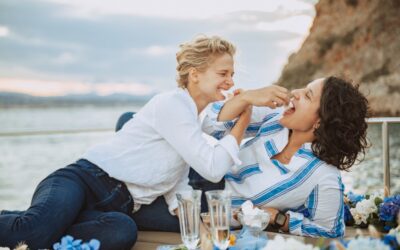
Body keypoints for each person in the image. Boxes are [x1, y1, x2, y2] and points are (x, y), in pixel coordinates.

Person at [0, 36, 286, 249]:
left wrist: (203, 235)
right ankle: (41, 226)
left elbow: (177, 184)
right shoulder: (172, 105)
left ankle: (50, 226)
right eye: (223, 74)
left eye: (232, 75)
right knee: (30, 233)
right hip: (82, 181)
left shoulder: (194, 119)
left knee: (123, 233)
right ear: (194, 75)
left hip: (119, 207)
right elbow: (212, 168)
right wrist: (245, 113)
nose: (229, 81)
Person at [202, 76, 369, 238]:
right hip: (200, 177)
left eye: (307, 95)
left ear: (320, 121)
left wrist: (280, 219)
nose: (295, 92)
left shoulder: (323, 175)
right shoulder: (276, 118)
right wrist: (246, 98)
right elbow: (212, 125)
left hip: (211, 217)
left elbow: (330, 230)